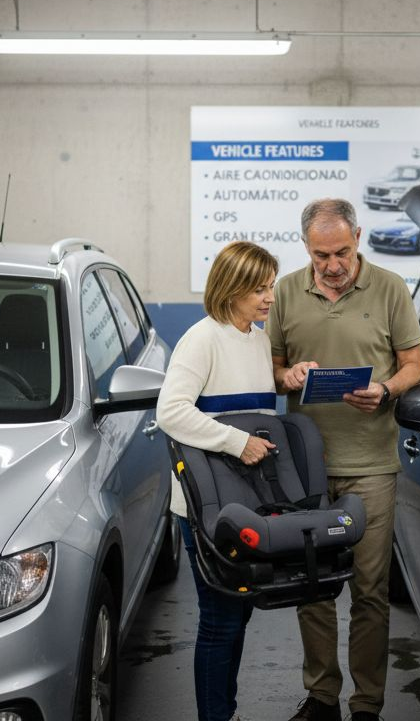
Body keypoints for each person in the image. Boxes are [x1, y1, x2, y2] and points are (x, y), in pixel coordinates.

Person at [268, 199, 420, 721]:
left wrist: (385, 389)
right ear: (306, 248)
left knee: (370, 590)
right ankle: (320, 698)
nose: (332, 265)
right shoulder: (287, 291)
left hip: (372, 465)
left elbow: (413, 365)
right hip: (305, 465)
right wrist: (287, 377)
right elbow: (271, 365)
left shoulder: (389, 288)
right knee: (311, 587)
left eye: (341, 251)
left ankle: (366, 705)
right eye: (320, 255)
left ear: (357, 237)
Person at [156, 240, 312, 721]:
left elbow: (256, 416)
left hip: (246, 502)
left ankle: (226, 713)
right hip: (206, 508)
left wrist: (287, 381)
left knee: (238, 615)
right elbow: (170, 412)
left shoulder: (257, 339)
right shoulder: (201, 339)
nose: (269, 297)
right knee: (221, 622)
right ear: (231, 289)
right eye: (259, 289)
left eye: (270, 286)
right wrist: (233, 442)